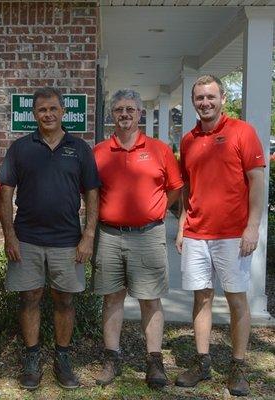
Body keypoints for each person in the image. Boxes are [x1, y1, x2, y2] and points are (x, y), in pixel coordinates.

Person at [0, 87, 100, 390]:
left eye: (53, 109)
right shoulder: (20, 148)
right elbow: (5, 194)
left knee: (64, 299)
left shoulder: (79, 149)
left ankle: (62, 358)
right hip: (27, 239)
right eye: (42, 110)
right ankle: (32, 359)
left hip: (68, 240)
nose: (48, 114)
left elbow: (92, 192)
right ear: (34, 114)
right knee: (29, 297)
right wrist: (10, 236)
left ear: (63, 112)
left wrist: (88, 235)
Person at [174, 75, 265, 397]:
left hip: (232, 233)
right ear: (193, 101)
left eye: (210, 97)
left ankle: (238, 366)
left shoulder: (243, 132)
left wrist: (253, 226)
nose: (205, 103)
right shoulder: (188, 140)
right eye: (199, 98)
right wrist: (184, 223)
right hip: (198, 233)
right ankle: (202, 361)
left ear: (222, 98)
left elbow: (257, 181)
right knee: (201, 297)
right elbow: (187, 186)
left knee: (236, 300)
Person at [92, 89, 183, 389]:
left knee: (150, 299)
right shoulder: (100, 151)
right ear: (111, 114)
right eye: (119, 109)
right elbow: (90, 193)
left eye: (131, 109)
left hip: (147, 235)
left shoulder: (159, 149)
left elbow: (174, 188)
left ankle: (154, 361)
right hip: (109, 235)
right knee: (112, 298)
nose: (125, 114)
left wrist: (156, 210)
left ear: (140, 113)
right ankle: (111, 358)